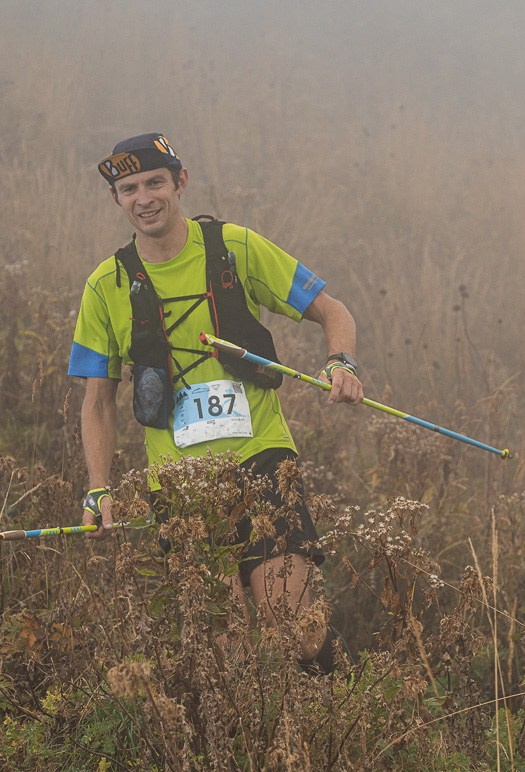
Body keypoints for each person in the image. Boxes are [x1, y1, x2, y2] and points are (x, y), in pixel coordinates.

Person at [68, 132, 363, 672]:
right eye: (128, 188)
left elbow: (332, 309)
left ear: (180, 182)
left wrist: (340, 363)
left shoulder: (235, 246)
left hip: (263, 461)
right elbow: (98, 404)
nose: (144, 197)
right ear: (117, 199)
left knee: (294, 628)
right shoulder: (104, 286)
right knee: (223, 657)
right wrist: (98, 490)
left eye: (155, 181)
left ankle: (355, 718)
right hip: (178, 486)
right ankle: (263, 754)